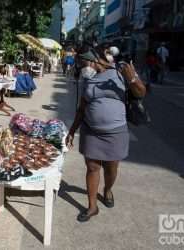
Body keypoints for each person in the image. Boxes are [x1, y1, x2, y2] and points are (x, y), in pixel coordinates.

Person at [66, 46, 146, 222]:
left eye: (82, 62)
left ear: (94, 59)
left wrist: (131, 78)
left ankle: (107, 189)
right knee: (92, 167)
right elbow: (81, 108)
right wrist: (72, 131)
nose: (80, 67)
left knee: (111, 168)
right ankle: (92, 206)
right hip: (91, 131)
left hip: (115, 133)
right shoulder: (88, 78)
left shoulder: (120, 71)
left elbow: (141, 92)